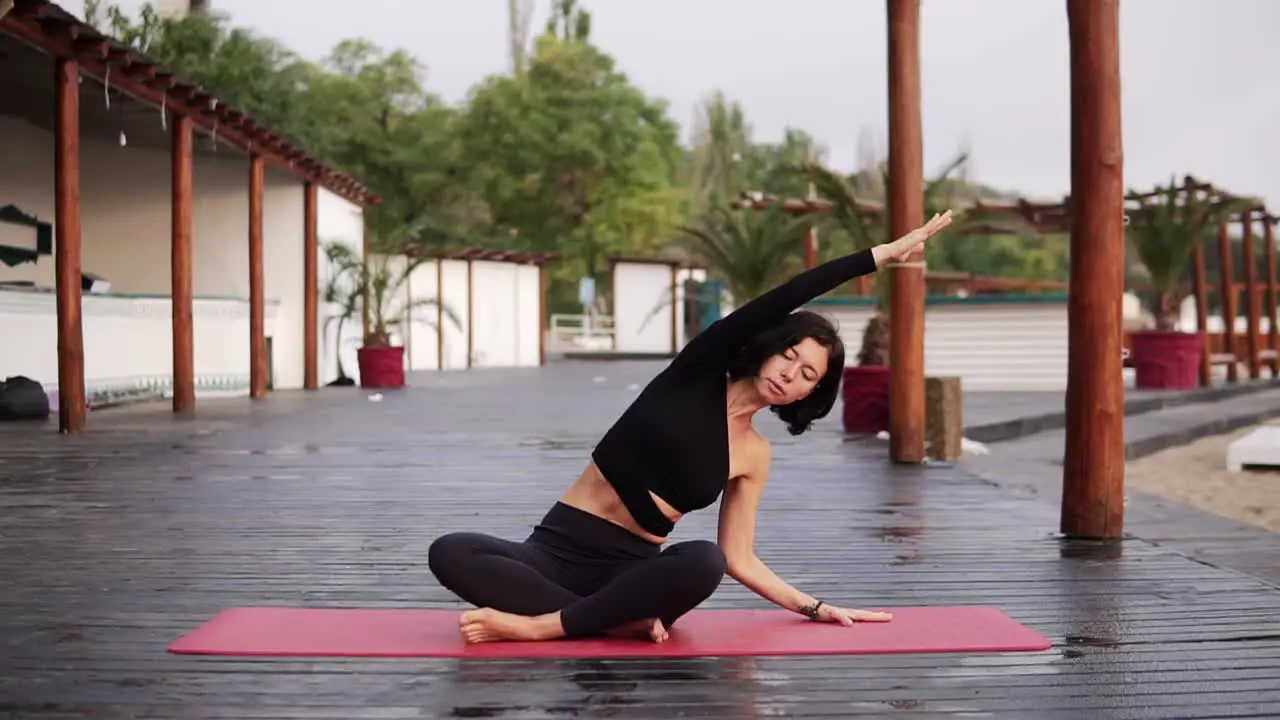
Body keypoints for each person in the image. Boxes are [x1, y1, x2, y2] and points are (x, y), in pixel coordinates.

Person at [428, 210, 955, 644]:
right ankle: (605, 622)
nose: (790, 374)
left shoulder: (754, 455)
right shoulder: (697, 371)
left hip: (632, 574)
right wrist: (879, 255)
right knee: (450, 550)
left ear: (808, 393)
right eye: (789, 356)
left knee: (704, 560)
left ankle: (546, 625)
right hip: (549, 553)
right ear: (770, 350)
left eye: (808, 375)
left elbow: (739, 558)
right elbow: (786, 294)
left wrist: (816, 607)